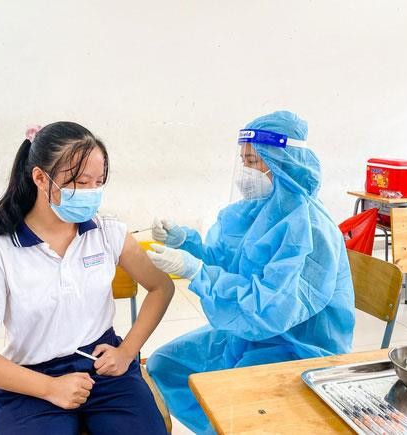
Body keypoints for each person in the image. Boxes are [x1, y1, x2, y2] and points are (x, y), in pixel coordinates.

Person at [0, 121, 173, 435]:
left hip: (103, 367)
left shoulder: (108, 233)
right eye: (80, 182)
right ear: (40, 178)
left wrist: (127, 351)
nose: (91, 192)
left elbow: (161, 287)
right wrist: (49, 387)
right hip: (30, 381)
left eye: (98, 182)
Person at [146, 110, 355, 433]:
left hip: (295, 345)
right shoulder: (258, 209)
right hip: (252, 333)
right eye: (243, 161)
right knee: (165, 365)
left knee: (230, 404)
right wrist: (186, 243)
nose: (245, 172)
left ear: (282, 163)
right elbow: (227, 261)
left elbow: (270, 308)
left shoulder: (310, 228)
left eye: (253, 162)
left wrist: (198, 273)